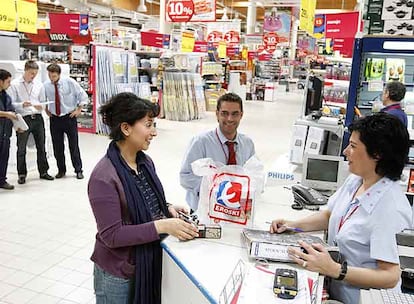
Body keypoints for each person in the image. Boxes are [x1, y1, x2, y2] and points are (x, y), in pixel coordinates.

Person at [270, 113, 413, 304]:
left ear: (377, 154)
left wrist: (335, 270)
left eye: (353, 147)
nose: (346, 151)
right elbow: (330, 215)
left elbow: (390, 276)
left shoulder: (390, 209)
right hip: (332, 288)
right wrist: (293, 225)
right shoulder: (357, 179)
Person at [88, 92, 198, 304]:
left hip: (143, 262)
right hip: (118, 273)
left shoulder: (144, 162)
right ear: (126, 128)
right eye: (148, 125)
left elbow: (142, 201)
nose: (154, 132)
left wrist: (166, 208)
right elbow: (112, 235)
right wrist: (163, 225)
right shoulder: (104, 177)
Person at [179, 92, 255, 210]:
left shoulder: (247, 144)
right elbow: (185, 177)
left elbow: (253, 175)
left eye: (234, 114)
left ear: (241, 115)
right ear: (217, 114)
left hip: (236, 210)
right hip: (205, 210)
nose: (229, 119)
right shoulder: (201, 142)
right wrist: (216, 190)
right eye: (224, 113)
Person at [8, 60, 54, 184]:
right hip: (23, 118)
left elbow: (43, 101)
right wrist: (22, 104)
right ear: (25, 70)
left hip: (37, 118)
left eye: (35, 73)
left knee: (41, 145)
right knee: (21, 148)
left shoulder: (39, 85)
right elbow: (11, 103)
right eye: (31, 73)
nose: (33, 76)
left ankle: (44, 171)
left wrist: (41, 107)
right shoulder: (15, 84)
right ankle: (22, 174)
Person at [43, 63, 88, 179]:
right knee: (57, 146)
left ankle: (78, 169)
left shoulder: (69, 82)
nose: (51, 79)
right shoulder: (46, 85)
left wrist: (79, 109)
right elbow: (43, 99)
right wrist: (46, 109)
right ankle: (61, 170)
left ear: (58, 74)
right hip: (55, 119)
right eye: (49, 76)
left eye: (53, 76)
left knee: (73, 145)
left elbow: (82, 95)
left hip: (69, 117)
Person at [0, 69, 17, 190]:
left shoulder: (6, 96)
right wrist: (7, 114)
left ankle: (2, 180)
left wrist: (18, 126)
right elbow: (7, 113)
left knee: (3, 157)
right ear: (0, 81)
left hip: (5, 133)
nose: (9, 84)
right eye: (8, 81)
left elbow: (12, 111)